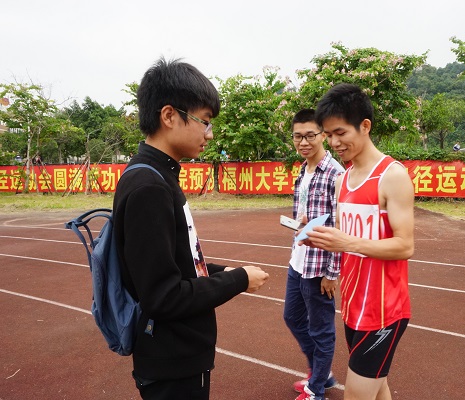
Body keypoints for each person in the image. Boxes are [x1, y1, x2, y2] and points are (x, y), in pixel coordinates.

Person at [113, 57, 269, 400]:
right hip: (173, 363)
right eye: (205, 121)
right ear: (169, 116)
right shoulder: (149, 187)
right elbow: (163, 296)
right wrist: (238, 280)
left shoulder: (157, 176)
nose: (209, 134)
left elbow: (175, 263)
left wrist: (224, 271)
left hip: (177, 356)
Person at [304, 83, 414, 400]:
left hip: (383, 312)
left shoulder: (392, 176)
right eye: (328, 134)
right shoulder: (342, 180)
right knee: (379, 390)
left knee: (357, 394)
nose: (334, 142)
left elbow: (405, 246)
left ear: (365, 126)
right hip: (353, 304)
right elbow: (346, 237)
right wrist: (322, 238)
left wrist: (347, 242)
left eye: (340, 133)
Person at [283, 109, 343, 400]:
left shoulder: (335, 174)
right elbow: (306, 217)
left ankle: (316, 388)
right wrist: (297, 225)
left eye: (310, 136)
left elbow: (341, 226)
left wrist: (332, 273)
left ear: (322, 136)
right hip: (298, 260)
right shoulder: (303, 170)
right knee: (292, 317)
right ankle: (321, 372)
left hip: (319, 267)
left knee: (321, 330)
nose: (303, 142)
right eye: (298, 136)